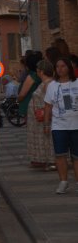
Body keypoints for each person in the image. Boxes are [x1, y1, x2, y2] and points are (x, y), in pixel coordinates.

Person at [43, 57, 78, 194]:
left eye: (63, 66)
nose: (60, 69)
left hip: (76, 125)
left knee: (76, 156)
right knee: (60, 155)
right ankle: (63, 182)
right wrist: (46, 124)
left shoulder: (77, 83)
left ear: (69, 67)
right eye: (57, 66)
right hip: (59, 126)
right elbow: (47, 106)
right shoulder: (52, 85)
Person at [26, 60, 55, 171]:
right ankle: (42, 159)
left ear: (42, 71)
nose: (37, 72)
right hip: (39, 118)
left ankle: (51, 161)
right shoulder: (45, 83)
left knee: (47, 139)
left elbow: (51, 101)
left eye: (38, 70)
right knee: (41, 139)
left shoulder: (48, 84)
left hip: (44, 117)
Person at [18, 52, 44, 120]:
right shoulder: (41, 75)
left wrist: (18, 100)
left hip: (30, 106)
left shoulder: (32, 76)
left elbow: (22, 94)